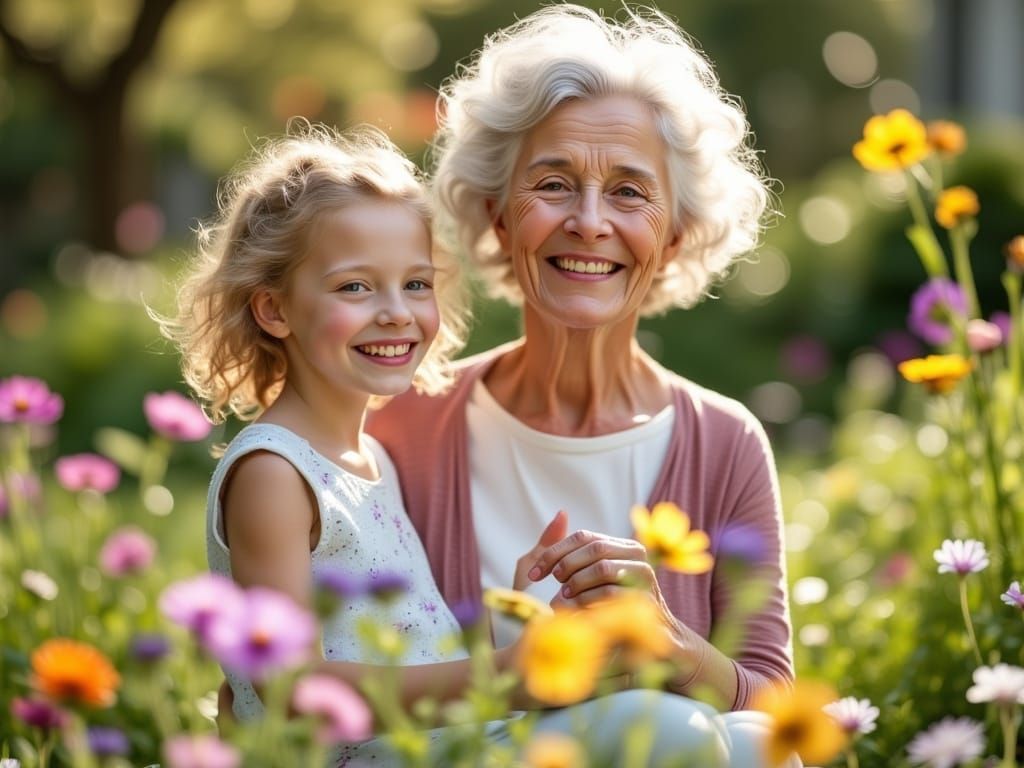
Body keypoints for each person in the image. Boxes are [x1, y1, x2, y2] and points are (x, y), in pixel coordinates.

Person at [366, 4, 797, 765]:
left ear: (672, 237)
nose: (590, 222)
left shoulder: (726, 443)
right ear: (499, 217)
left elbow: (781, 706)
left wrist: (671, 644)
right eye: (555, 184)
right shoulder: (404, 426)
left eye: (630, 191)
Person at [161, 123, 525, 764]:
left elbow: (410, 646)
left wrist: (513, 622)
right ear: (274, 311)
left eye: (416, 283)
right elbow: (292, 690)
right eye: (355, 286)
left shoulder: (371, 457)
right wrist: (501, 674)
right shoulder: (274, 472)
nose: (396, 312)